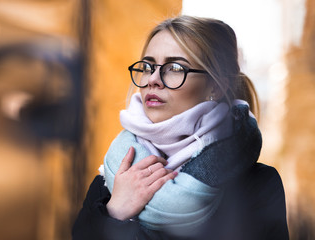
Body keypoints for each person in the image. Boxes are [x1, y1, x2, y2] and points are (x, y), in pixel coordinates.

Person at [72, 15, 289, 240]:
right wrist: (115, 213)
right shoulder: (113, 177)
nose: (153, 79)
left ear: (216, 85)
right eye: (148, 67)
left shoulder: (256, 185)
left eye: (174, 67)